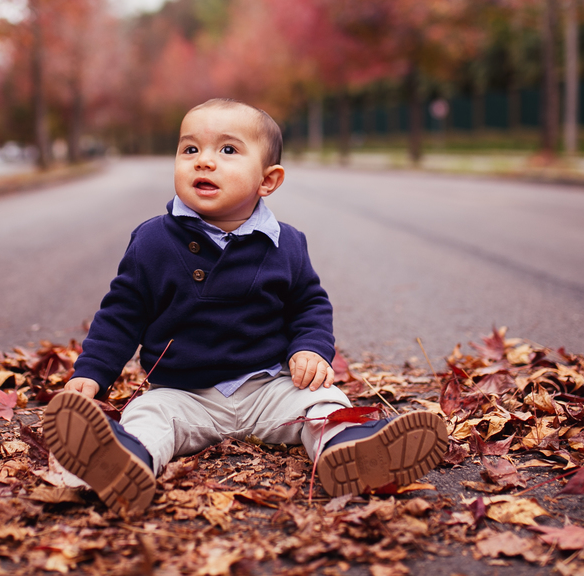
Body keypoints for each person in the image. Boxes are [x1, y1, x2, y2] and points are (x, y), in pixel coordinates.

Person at [43, 98, 447, 513]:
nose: (203, 162)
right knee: (148, 416)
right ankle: (127, 464)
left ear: (267, 181)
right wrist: (92, 374)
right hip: (184, 394)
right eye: (190, 149)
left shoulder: (287, 244)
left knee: (323, 402)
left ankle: (352, 453)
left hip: (270, 388)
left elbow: (309, 304)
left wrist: (310, 348)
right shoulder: (152, 242)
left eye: (228, 150)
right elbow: (121, 313)